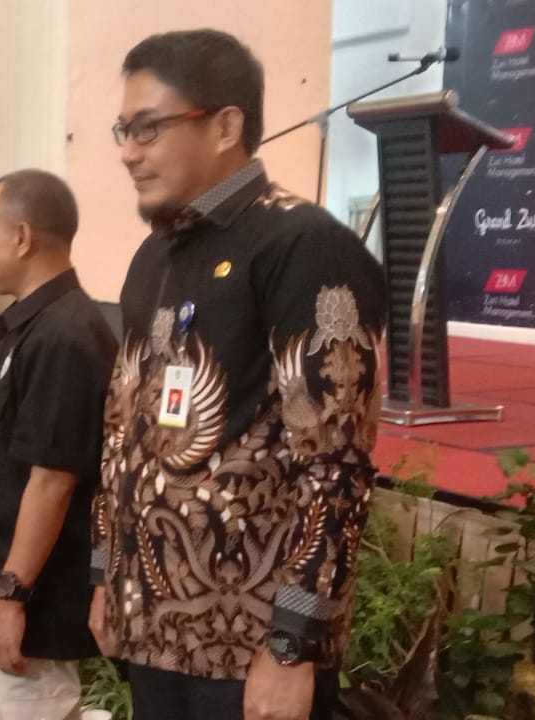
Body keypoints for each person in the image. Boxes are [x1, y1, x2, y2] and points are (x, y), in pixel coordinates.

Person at [88, 31, 387, 720]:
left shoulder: (303, 246)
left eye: (148, 128)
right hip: (155, 631)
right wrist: (107, 575)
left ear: (226, 125)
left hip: (251, 652)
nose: (129, 151)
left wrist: (292, 645)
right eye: (123, 131)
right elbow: (122, 430)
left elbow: (336, 467)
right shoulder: (155, 256)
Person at [0, 170, 117, 720]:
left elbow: (53, 481)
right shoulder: (32, 325)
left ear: (23, 237)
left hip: (29, 604)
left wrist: (12, 598)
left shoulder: (65, 335)